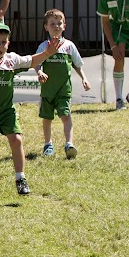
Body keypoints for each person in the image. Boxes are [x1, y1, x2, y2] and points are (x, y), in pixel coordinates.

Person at [0, 22, 60, 195]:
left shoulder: (11, 59)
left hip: (6, 112)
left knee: (16, 139)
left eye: (3, 41)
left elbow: (31, 61)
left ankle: (20, 178)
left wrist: (47, 53)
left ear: (8, 43)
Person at [35, 9, 90, 159]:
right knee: (47, 118)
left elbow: (77, 64)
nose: (56, 26)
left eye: (59, 23)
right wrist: (39, 72)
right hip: (47, 90)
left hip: (63, 90)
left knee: (66, 116)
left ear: (64, 26)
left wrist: (84, 78)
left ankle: (69, 144)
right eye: (52, 23)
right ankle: (48, 144)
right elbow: (37, 62)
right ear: (46, 27)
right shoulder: (43, 47)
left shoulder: (69, 46)